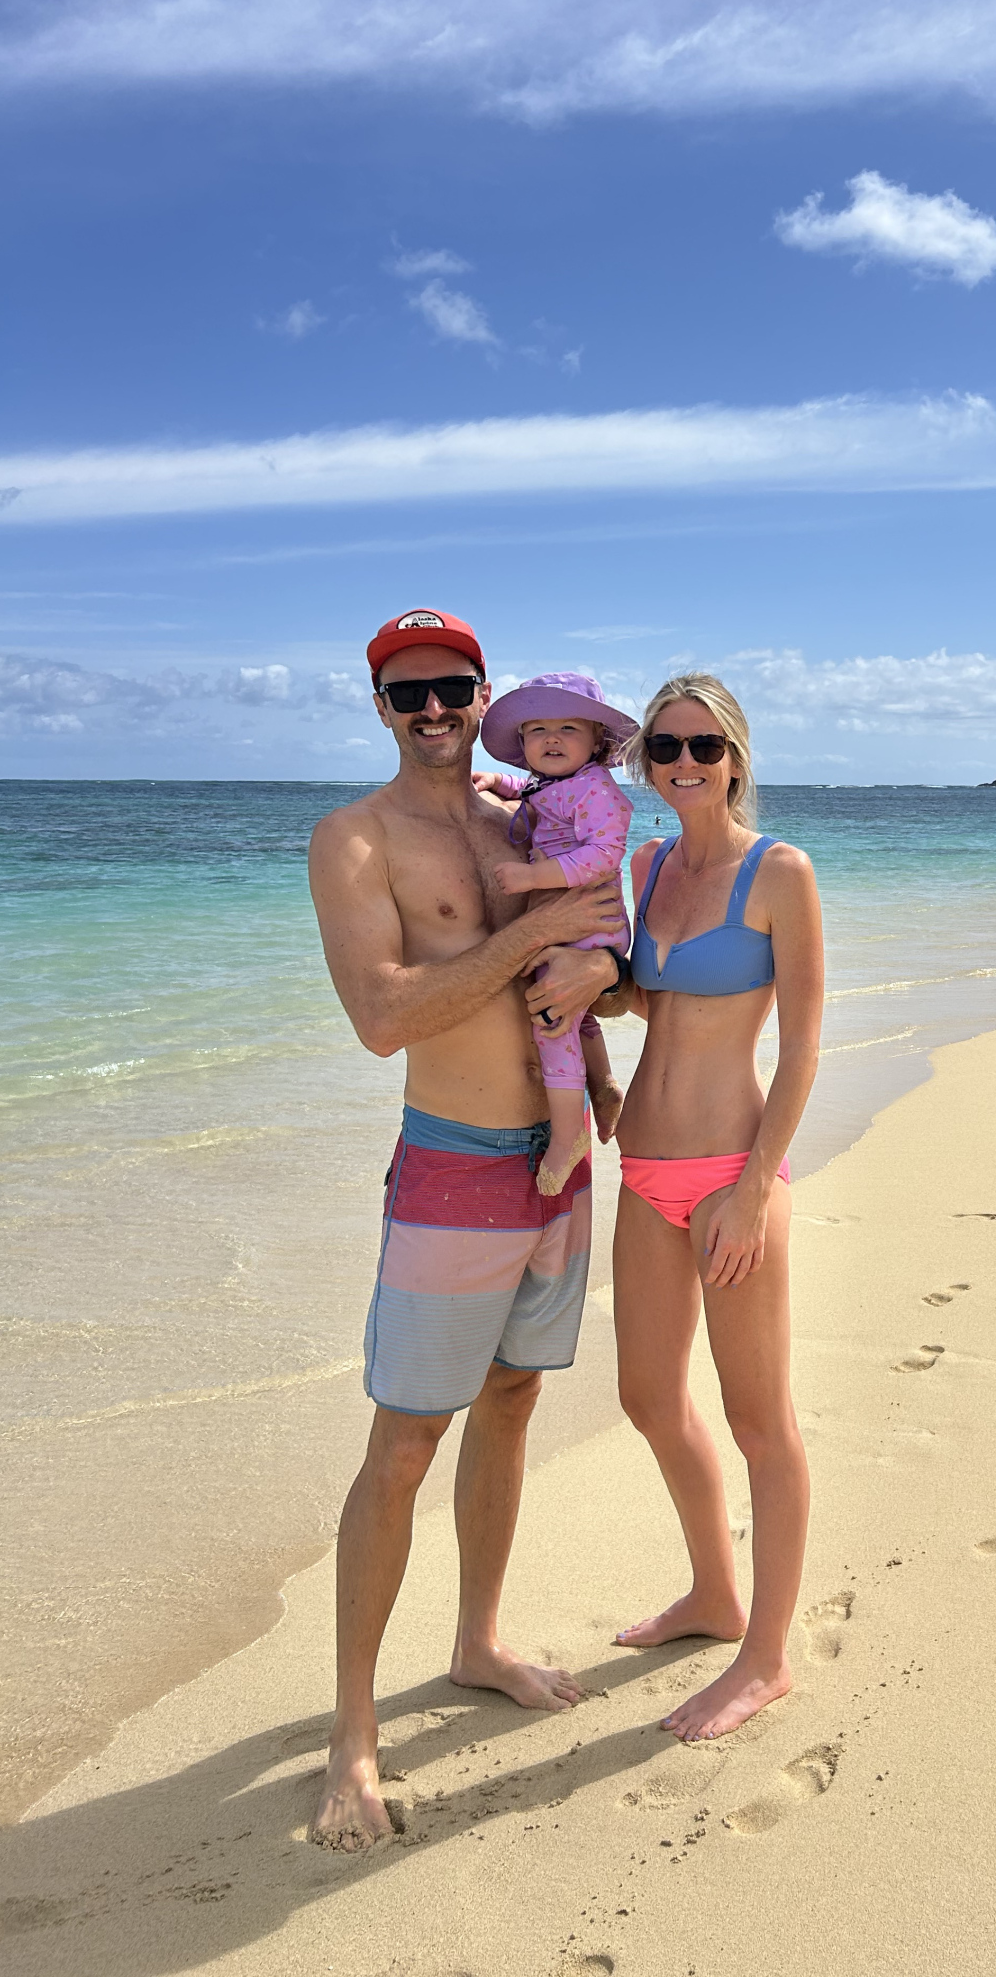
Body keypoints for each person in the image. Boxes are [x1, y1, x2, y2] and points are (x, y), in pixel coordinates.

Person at [305, 607, 632, 1851]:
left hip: (557, 1168)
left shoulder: (529, 815)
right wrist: (538, 933)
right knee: (402, 1445)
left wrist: (602, 968)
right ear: (381, 708)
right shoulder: (353, 840)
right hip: (450, 1166)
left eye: (453, 689)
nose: (434, 711)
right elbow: (383, 1017)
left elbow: (614, 952)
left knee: (511, 1406)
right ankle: (353, 1736)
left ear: (483, 693)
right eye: (410, 694)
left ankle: (477, 1640)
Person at [610, 673, 824, 1741]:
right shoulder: (644, 867)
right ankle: (712, 1593)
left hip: (734, 1178)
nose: (683, 764)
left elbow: (802, 1049)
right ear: (644, 760)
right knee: (648, 1397)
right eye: (664, 747)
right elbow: (636, 995)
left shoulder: (778, 872)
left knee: (758, 1421)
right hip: (640, 1168)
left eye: (702, 746)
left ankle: (767, 1656)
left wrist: (750, 1193)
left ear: (735, 756)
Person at [477, 673, 638, 1193]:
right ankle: (603, 1084)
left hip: (591, 923)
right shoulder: (556, 783)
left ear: (597, 741)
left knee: (551, 1017)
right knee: (575, 1012)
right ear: (522, 743)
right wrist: (493, 785)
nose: (551, 738)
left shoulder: (597, 791)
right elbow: (529, 794)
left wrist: (532, 877)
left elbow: (603, 855)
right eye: (538, 728)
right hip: (572, 923)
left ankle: (569, 1133)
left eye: (568, 727)